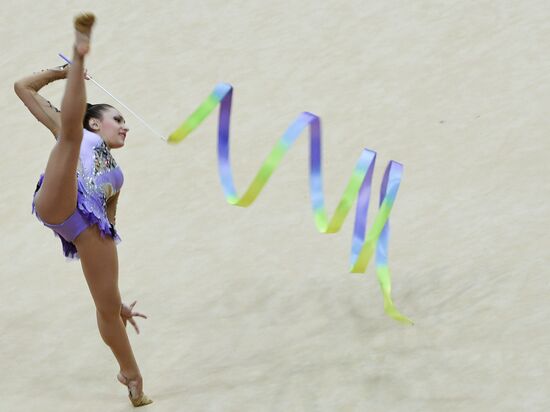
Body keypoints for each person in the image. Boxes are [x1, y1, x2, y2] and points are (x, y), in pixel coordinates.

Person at [13, 13, 152, 407]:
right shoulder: (76, 131)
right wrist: (65, 71)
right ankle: (79, 50)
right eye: (117, 120)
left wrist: (114, 298)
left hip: (86, 225)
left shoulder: (119, 176)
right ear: (97, 122)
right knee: (68, 138)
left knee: (107, 310)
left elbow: (108, 224)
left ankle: (132, 376)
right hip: (59, 195)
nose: (125, 127)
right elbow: (23, 87)